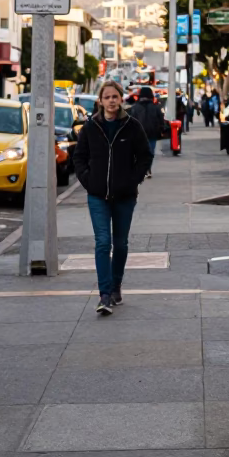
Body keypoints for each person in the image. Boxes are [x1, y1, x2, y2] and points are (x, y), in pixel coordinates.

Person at [74, 79, 151, 315]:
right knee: (102, 242)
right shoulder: (90, 127)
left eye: (115, 97)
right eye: (107, 97)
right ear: (100, 101)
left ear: (121, 99)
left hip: (124, 196)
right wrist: (89, 181)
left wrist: (132, 180)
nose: (111, 101)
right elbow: (79, 158)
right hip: (97, 196)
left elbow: (145, 157)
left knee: (120, 244)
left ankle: (116, 284)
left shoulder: (132, 126)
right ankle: (104, 294)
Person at [128, 85, 164, 178]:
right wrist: (160, 130)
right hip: (152, 134)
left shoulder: (135, 107)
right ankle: (147, 168)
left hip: (139, 134)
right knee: (150, 152)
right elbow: (161, 120)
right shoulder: (155, 107)